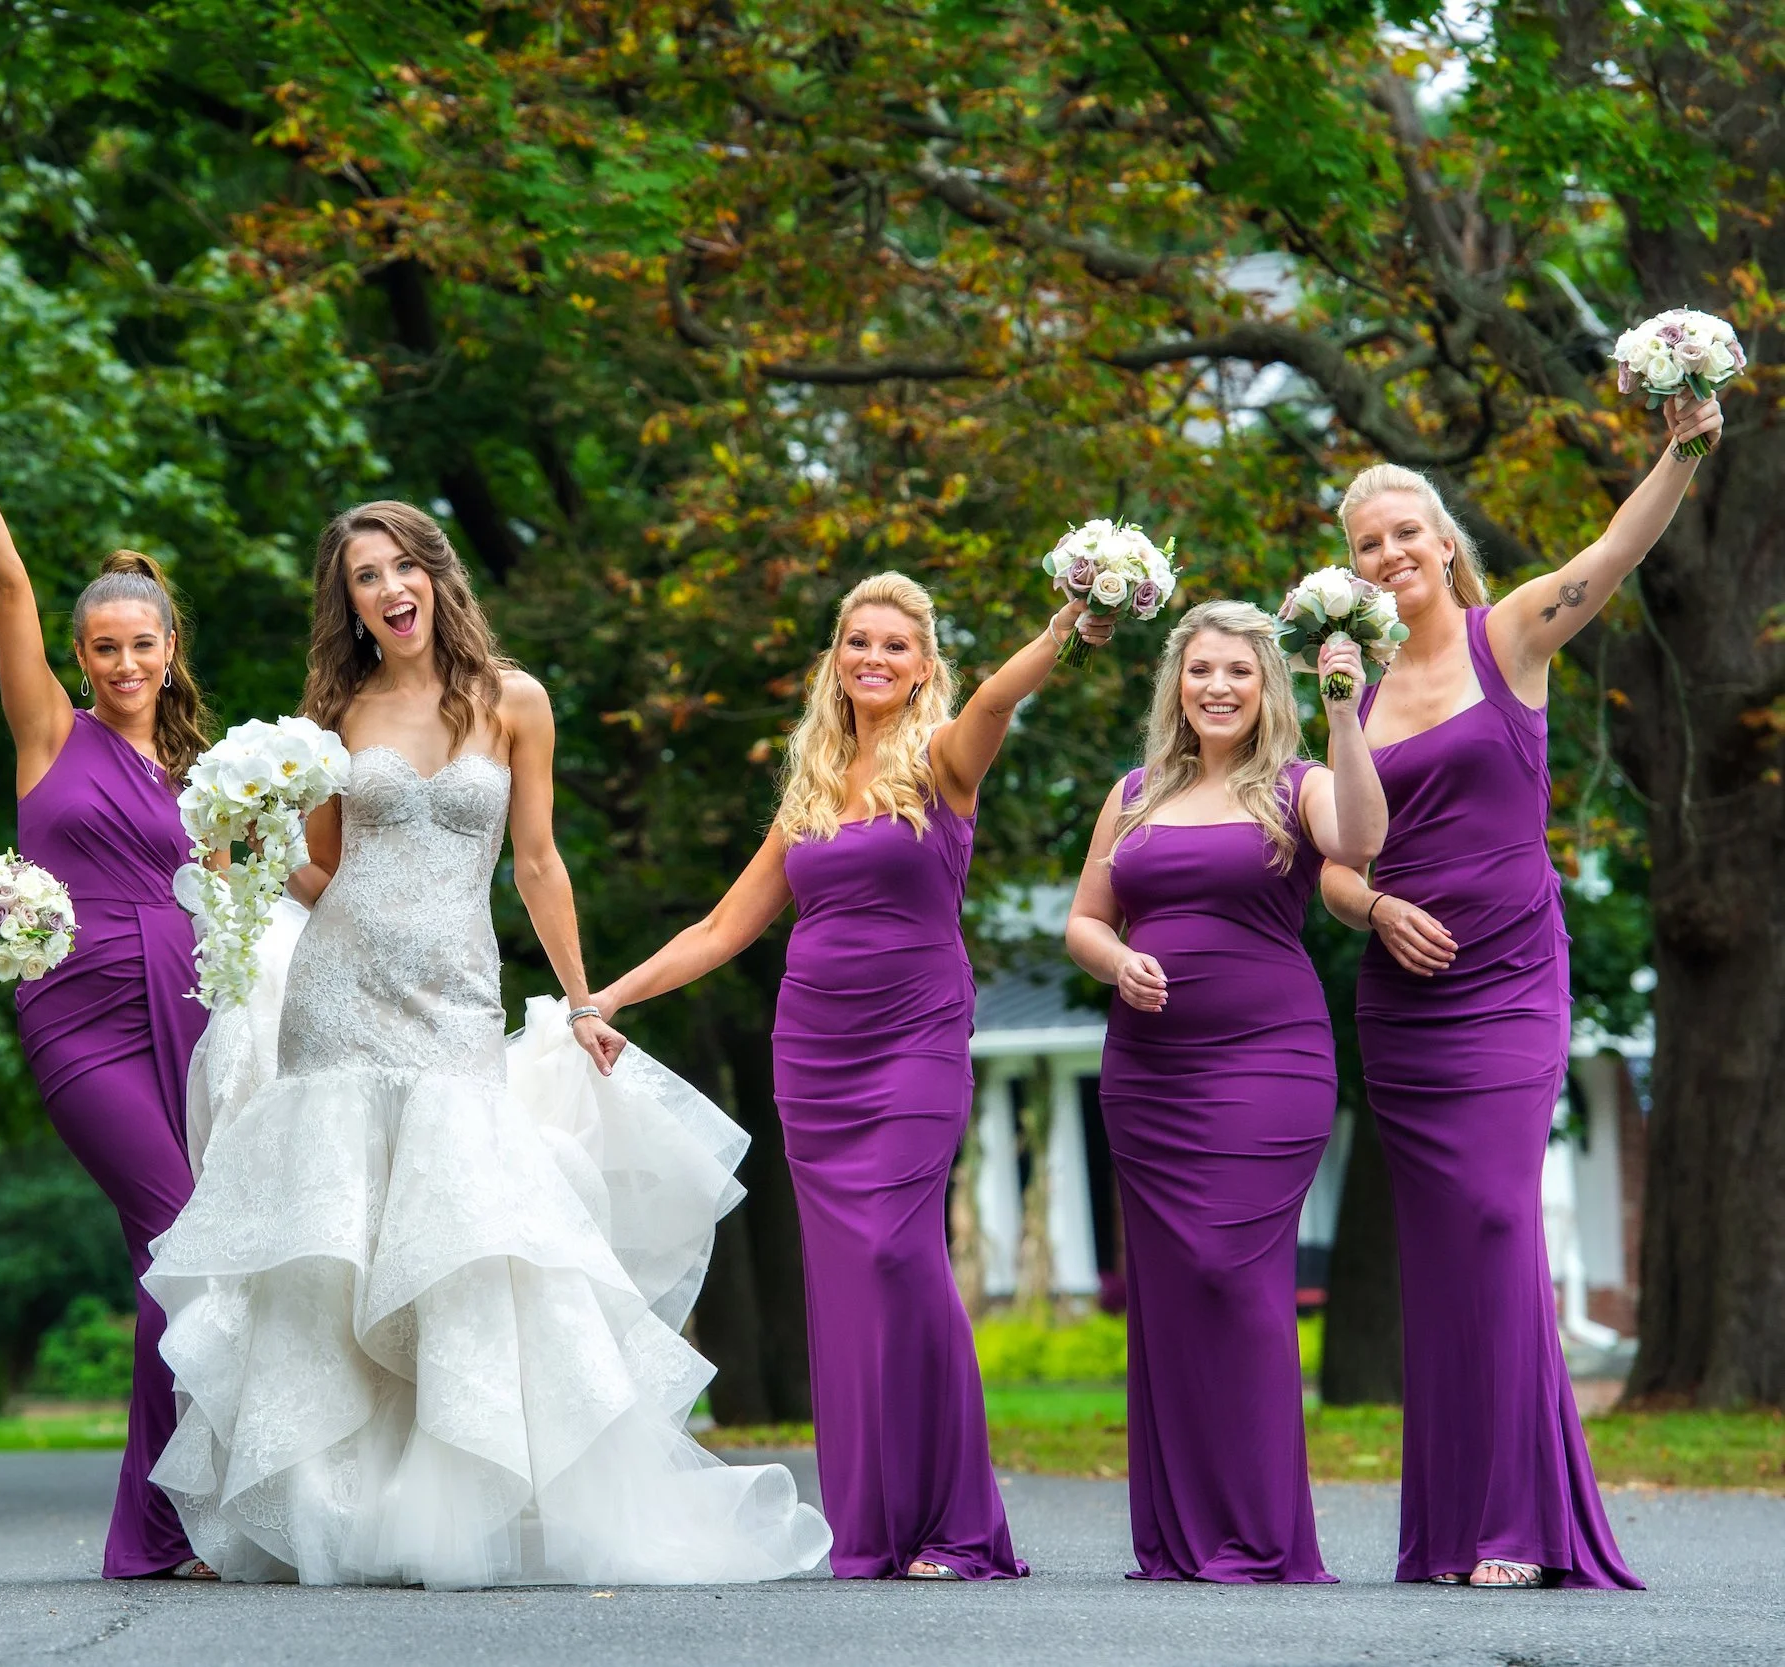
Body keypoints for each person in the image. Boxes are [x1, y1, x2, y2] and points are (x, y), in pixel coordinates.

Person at [144, 501, 831, 1587]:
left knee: (460, 1237)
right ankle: (337, 1510)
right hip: (341, 999)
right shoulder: (334, 712)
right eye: (364, 576)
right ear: (350, 604)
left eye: (401, 565)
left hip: (457, 1001)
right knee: (344, 1244)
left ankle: (454, 1502)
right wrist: (247, 846)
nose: (388, 587)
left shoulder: (516, 701)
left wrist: (584, 998)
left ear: (435, 574)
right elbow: (323, 869)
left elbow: (538, 861)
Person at [597, 572, 1106, 1580]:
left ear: (923, 666)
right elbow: (721, 927)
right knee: (843, 1280)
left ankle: (956, 1525)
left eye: (895, 644)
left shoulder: (946, 758)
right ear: (835, 659)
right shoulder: (812, 788)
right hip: (813, 1054)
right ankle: (873, 1527)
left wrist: (1062, 626)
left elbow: (999, 699)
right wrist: (609, 997)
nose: (874, 657)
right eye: (857, 641)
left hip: (915, 1039)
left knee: (896, 1252)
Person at [1318, 392, 1719, 1589]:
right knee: (1443, 1253)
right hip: (1402, 999)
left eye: (1406, 531)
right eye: (1367, 544)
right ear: (1351, 570)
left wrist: (1682, 446)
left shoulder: (1512, 639)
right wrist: (1374, 907)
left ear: (1444, 541)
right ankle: (1457, 1529)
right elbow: (1333, 858)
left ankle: (1516, 1524)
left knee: (1497, 1221)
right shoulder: (1347, 693)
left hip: (1505, 982)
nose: (1391, 553)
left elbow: (1615, 550)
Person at [1064, 600, 1384, 1583]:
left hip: (1267, 1062)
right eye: (1200, 669)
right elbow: (1084, 921)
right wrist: (1118, 961)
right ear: (1176, 682)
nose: (1217, 686)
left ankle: (1259, 1530)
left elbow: (1362, 839)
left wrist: (1344, 714)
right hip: (1148, 1074)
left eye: (1238, 671)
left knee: (1231, 1274)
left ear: (1266, 686)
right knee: (1169, 1289)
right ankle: (1183, 1533)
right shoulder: (1133, 794)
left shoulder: (1300, 783)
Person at [0, 438, 211, 1578]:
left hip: (190, 1010)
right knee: (180, 1239)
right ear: (79, 655)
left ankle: (188, 1519)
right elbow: (8, 584)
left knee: (192, 1257)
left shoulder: (203, 769)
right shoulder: (52, 733)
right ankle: (157, 1531)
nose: (124, 663)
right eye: (104, 647)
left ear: (168, 648)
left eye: (141, 644)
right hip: (82, 1017)